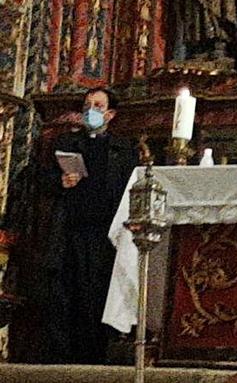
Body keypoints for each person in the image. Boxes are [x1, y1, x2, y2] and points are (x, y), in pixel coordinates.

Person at [47, 88, 138, 363]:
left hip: (105, 233)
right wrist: (60, 182)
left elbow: (128, 187)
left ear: (110, 114)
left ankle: (95, 358)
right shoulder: (66, 142)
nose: (92, 111)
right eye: (87, 105)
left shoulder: (124, 148)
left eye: (98, 106)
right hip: (70, 230)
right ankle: (63, 359)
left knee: (97, 294)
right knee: (66, 294)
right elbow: (44, 179)